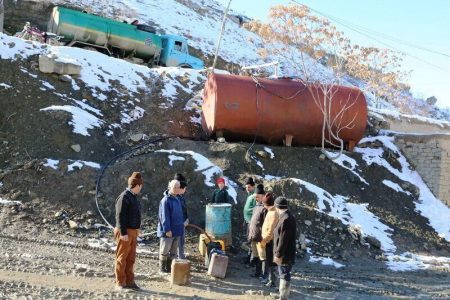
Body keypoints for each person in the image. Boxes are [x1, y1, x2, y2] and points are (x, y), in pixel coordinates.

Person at [114, 172, 143, 291]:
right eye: (141, 186)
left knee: (130, 258)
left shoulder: (132, 197)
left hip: (133, 231)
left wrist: (137, 229)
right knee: (122, 258)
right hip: (125, 232)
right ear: (137, 186)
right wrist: (123, 233)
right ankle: (120, 283)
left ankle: (130, 281)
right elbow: (119, 216)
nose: (141, 188)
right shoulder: (124, 196)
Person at [157, 179, 184, 274]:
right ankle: (162, 268)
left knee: (173, 252)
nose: (177, 189)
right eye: (174, 187)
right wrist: (167, 229)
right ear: (169, 188)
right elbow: (164, 216)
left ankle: (170, 268)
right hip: (168, 231)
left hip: (177, 230)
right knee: (164, 250)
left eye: (178, 187)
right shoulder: (165, 200)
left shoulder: (178, 199)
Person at [273, 197, 297, 300]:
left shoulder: (286, 219)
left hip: (285, 255)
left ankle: (283, 297)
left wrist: (278, 255)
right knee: (283, 273)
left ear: (277, 207)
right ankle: (282, 296)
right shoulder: (286, 217)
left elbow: (283, 240)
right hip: (286, 253)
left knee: (284, 275)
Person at [257, 192, 279, 288]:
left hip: (270, 241)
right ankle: (270, 280)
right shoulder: (270, 211)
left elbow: (270, 230)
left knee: (271, 262)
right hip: (267, 241)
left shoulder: (274, 213)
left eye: (264, 204)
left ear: (267, 204)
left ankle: (272, 281)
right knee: (269, 261)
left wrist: (264, 241)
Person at [247, 184, 266, 278]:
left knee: (262, 256)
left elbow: (265, 224)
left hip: (260, 237)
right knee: (256, 256)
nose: (256, 198)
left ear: (263, 196)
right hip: (254, 236)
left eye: (257, 197)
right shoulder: (256, 207)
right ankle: (257, 273)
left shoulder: (265, 208)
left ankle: (263, 275)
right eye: (256, 197)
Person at [174, 173, 189, 259]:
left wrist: (186, 218)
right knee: (178, 240)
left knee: (181, 240)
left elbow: (184, 209)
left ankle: (180, 254)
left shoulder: (181, 196)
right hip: (178, 223)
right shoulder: (175, 198)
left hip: (182, 222)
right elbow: (177, 211)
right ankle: (179, 256)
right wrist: (182, 221)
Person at [242, 177, 256, 264]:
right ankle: (249, 257)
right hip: (248, 221)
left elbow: (256, 209)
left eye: (249, 187)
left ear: (253, 186)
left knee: (251, 241)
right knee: (249, 240)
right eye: (246, 187)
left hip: (252, 222)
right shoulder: (249, 195)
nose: (247, 189)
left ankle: (252, 259)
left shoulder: (255, 196)